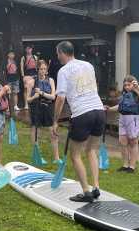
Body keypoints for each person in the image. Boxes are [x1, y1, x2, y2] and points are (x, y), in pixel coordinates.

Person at [53, 41, 106, 203]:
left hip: (82, 114)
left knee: (75, 154)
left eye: (57, 53)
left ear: (62, 52)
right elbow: (94, 85)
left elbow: (60, 97)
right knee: (91, 150)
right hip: (99, 111)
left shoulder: (63, 71)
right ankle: (96, 187)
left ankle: (86, 192)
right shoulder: (88, 65)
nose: (57, 56)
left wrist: (55, 121)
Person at [106, 75, 139, 173]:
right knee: (122, 142)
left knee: (133, 142)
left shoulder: (138, 93)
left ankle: (132, 167)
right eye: (125, 85)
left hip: (134, 118)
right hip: (122, 118)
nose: (126, 87)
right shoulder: (124, 94)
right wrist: (109, 109)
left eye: (129, 85)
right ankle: (125, 165)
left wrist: (137, 87)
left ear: (133, 84)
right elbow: (119, 106)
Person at [27, 60, 60, 163]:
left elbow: (53, 96)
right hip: (36, 108)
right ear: (37, 69)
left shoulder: (50, 80)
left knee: (52, 131)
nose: (43, 71)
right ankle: (37, 155)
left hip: (48, 108)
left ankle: (57, 158)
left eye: (45, 69)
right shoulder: (32, 81)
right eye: (41, 69)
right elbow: (27, 99)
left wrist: (41, 93)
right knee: (36, 131)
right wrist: (34, 97)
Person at [20, 44, 38, 109]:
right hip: (27, 74)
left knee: (34, 89)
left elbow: (37, 66)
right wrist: (23, 76)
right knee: (26, 89)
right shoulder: (23, 57)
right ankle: (26, 104)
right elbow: (21, 67)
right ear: (25, 49)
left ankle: (33, 103)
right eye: (27, 48)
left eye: (30, 48)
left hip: (34, 74)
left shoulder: (35, 57)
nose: (29, 50)